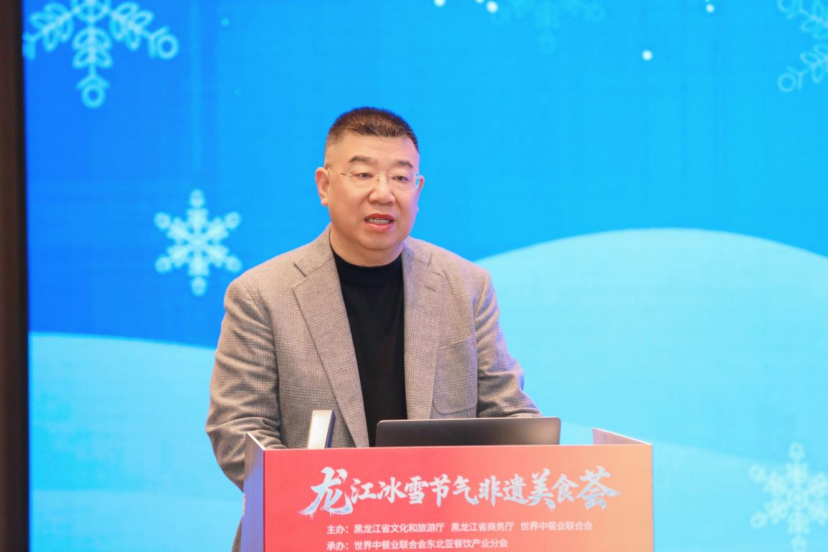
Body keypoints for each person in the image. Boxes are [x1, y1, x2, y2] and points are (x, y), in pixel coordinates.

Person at [206, 107, 539, 550]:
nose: (383, 193)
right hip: (309, 533)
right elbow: (238, 428)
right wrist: (328, 505)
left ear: (418, 191)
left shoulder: (466, 286)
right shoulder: (261, 294)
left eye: (400, 178)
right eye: (363, 174)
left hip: (438, 534)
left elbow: (507, 414)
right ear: (324, 185)